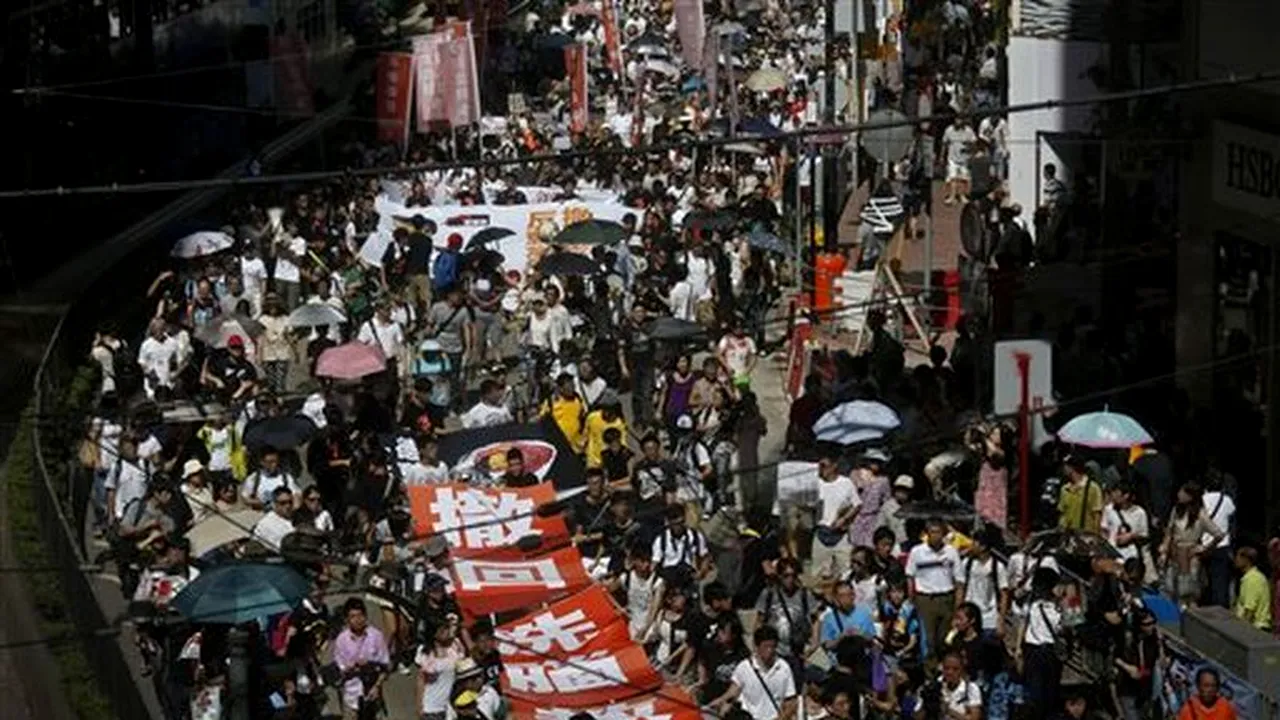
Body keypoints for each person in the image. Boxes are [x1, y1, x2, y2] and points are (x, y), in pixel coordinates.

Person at [711, 625, 799, 720]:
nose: (770, 651)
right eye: (766, 647)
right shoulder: (744, 667)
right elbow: (732, 691)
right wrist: (718, 702)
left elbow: (791, 701)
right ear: (756, 647)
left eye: (773, 646)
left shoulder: (783, 667)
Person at [906, 518, 961, 662]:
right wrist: (912, 600)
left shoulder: (951, 552)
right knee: (928, 640)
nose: (936, 535)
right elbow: (910, 577)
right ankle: (930, 673)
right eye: (932, 532)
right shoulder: (917, 552)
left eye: (938, 532)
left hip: (946, 597)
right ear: (927, 534)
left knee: (945, 639)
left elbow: (959, 581)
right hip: (925, 599)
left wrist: (958, 605)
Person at [332, 598, 390, 720]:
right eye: (353, 616)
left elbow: (385, 666)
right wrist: (354, 666)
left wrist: (377, 687)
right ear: (347, 619)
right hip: (351, 697)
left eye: (360, 615)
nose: (358, 620)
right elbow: (341, 670)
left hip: (372, 695)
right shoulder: (342, 640)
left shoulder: (376, 636)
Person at [812, 454, 861, 579]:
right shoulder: (816, 483)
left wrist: (844, 519)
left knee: (845, 572)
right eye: (819, 466)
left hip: (840, 534)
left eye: (824, 466)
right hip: (821, 533)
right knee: (818, 574)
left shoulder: (846, 483)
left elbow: (857, 504)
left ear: (834, 466)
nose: (821, 469)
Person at [1235, 546, 1272, 631]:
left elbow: (1249, 609)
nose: (1236, 560)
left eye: (1238, 557)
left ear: (1246, 560)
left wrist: (1242, 630)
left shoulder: (1252, 579)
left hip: (1255, 628)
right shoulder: (1253, 577)